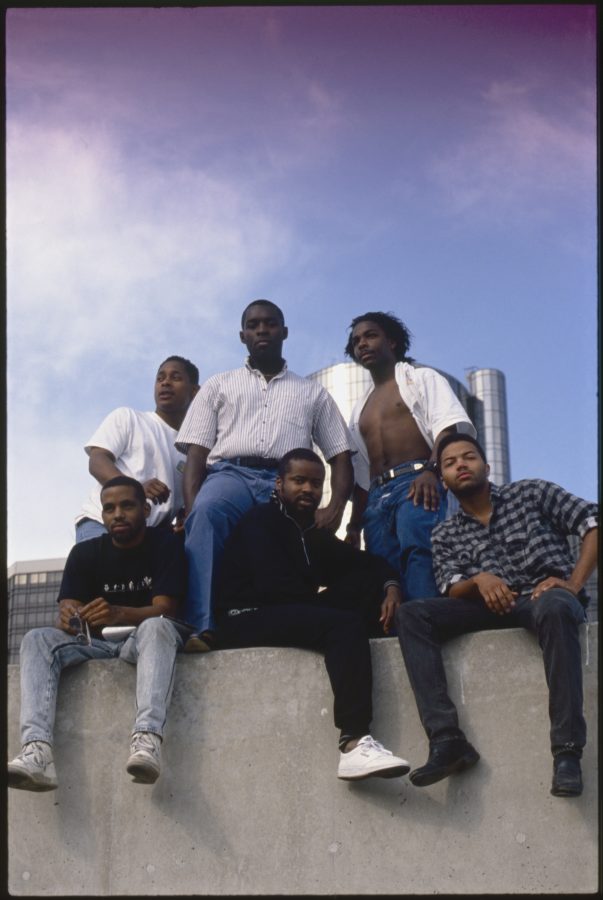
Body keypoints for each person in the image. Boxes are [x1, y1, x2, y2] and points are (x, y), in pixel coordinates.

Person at [396, 434, 598, 797]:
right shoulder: (445, 532)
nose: (461, 464)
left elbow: (592, 522)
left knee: (554, 606)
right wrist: (479, 580)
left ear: (486, 467)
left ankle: (567, 752)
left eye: (469, 457)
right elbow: (450, 584)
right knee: (412, 614)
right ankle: (447, 740)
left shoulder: (531, 493)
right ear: (443, 478)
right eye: (450, 462)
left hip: (543, 596)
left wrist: (572, 582)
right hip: (484, 606)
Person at [215, 447, 410, 781]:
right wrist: (331, 603)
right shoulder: (262, 521)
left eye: (316, 484)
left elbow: (368, 565)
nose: (308, 489)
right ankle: (353, 743)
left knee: (364, 584)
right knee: (343, 625)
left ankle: (362, 648)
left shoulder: (309, 534)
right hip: (245, 617)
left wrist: (391, 587)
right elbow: (273, 589)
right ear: (279, 484)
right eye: (299, 481)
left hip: (285, 610)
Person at [176, 299, 353, 651]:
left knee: (294, 542)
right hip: (231, 473)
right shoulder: (218, 385)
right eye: (254, 325)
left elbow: (341, 455)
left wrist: (334, 510)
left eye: (270, 324)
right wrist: (194, 507)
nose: (262, 330)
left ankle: (297, 620)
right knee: (209, 514)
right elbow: (196, 453)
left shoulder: (311, 392)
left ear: (284, 332)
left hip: (286, 481)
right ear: (242, 335)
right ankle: (202, 628)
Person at [8, 476, 190, 790]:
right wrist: (70, 618)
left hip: (142, 642)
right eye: (109, 508)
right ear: (102, 515)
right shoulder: (85, 554)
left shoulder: (165, 545)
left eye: (127, 505)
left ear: (145, 510)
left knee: (157, 626)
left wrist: (118, 612)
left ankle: (147, 741)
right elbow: (68, 615)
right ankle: (37, 752)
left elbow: (166, 609)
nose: (117, 514)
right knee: (37, 638)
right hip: (96, 644)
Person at [344, 312, 476, 602]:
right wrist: (354, 524)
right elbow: (362, 473)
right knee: (383, 569)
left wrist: (431, 471)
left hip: (416, 481)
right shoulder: (359, 409)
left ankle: (427, 620)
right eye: (356, 341)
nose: (362, 344)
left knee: (419, 551)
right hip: (376, 497)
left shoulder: (420, 378)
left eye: (370, 335)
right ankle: (395, 636)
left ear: (391, 341)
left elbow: (447, 427)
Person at [75, 356, 199, 542]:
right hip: (101, 526)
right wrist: (135, 489)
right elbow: (97, 460)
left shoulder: (193, 451)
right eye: (160, 378)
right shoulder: (128, 418)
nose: (165, 382)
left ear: (195, 391)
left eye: (175, 378)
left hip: (147, 537)